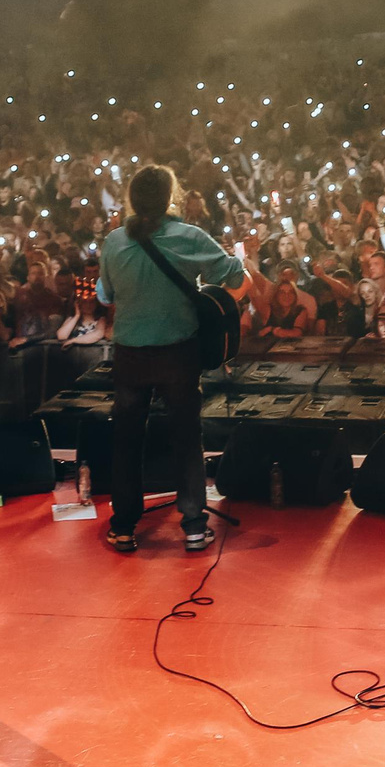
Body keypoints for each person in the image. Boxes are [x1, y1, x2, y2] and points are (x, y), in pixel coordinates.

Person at [94, 163, 244, 554]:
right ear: (169, 198)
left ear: (132, 199)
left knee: (126, 441)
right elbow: (232, 274)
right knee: (186, 439)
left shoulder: (113, 242)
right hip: (178, 354)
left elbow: (105, 296)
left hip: (130, 356)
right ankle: (194, 525)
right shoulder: (189, 237)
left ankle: (124, 526)